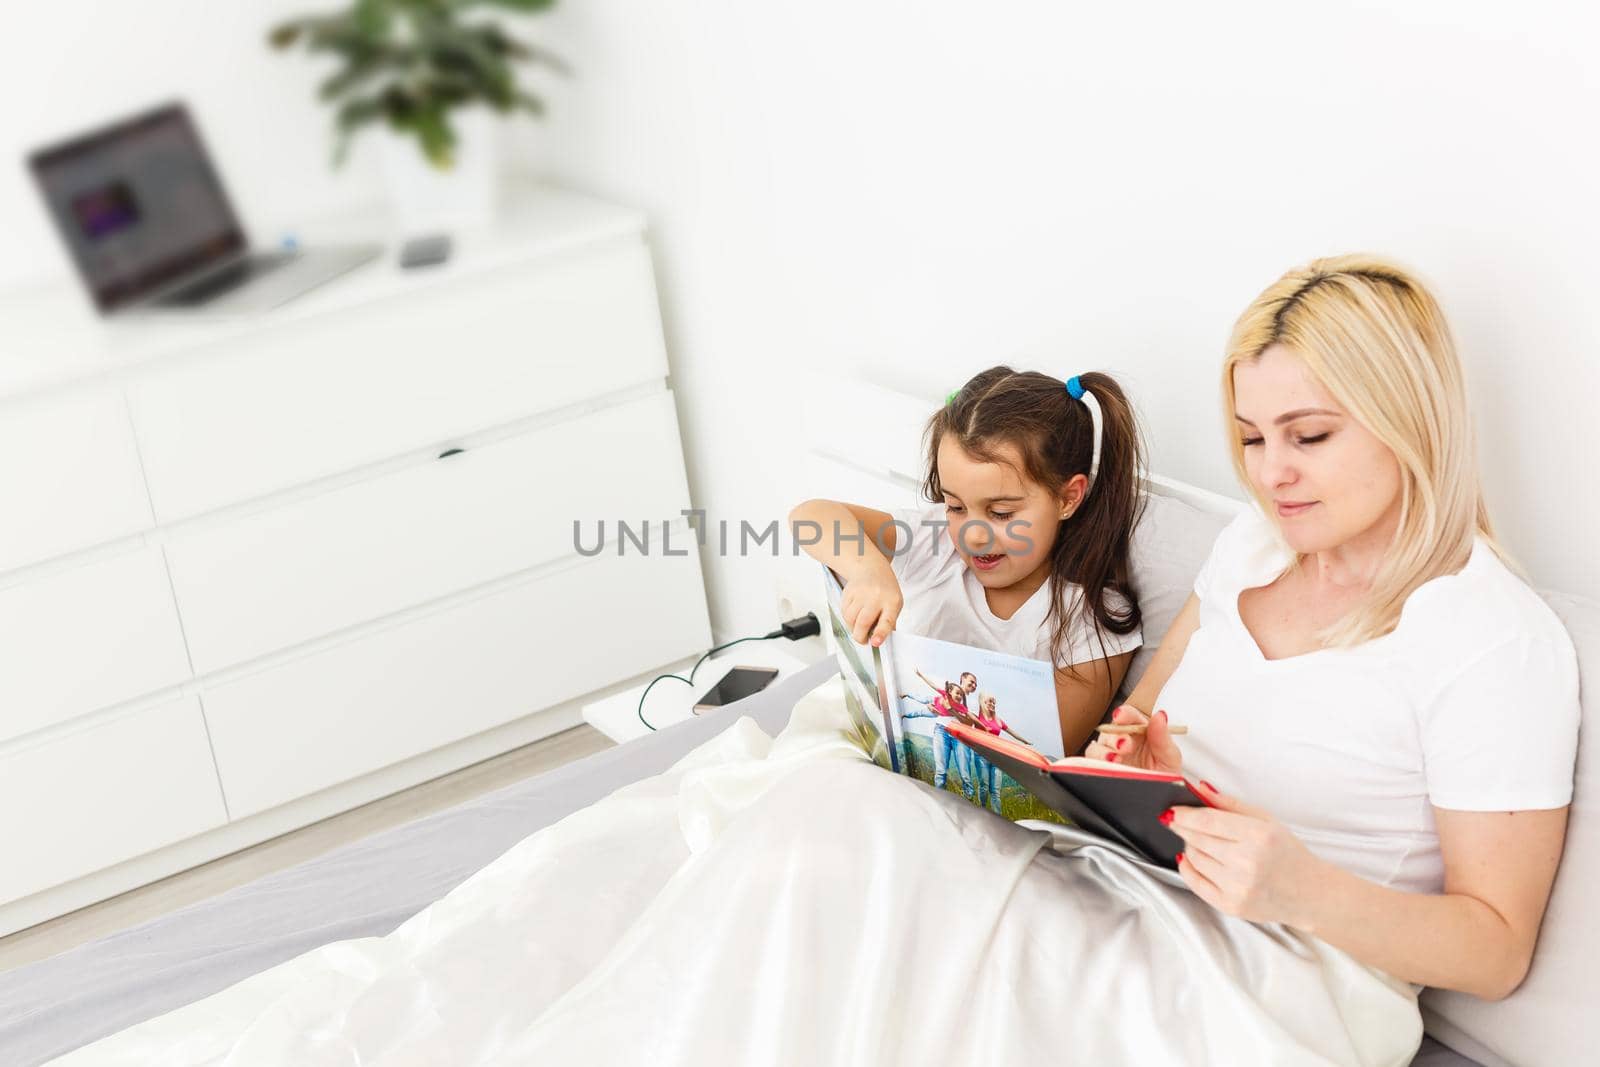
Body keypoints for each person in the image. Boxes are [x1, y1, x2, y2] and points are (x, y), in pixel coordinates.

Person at [1083, 254, 1579, 1000]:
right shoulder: (1250, 545)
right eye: (1252, 438)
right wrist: (1127, 768)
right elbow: (1138, 719)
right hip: (1128, 903)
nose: (1268, 473)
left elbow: (1498, 950)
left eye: (1308, 435)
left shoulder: (1493, 639)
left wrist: (1304, 890)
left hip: (1274, 991)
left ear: (1407, 422)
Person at [791, 367, 1147, 756]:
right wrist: (868, 571)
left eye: (1001, 512)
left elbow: (1043, 753)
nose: (972, 535)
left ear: (1067, 498)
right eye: (955, 506)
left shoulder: (1092, 619)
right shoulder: (935, 542)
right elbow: (810, 516)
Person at [899, 669, 978, 790]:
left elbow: (970, 722)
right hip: (942, 730)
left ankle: (969, 799)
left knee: (965, 775)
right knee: (941, 771)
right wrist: (932, 704)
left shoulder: (969, 704)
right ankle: (940, 797)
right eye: (972, 682)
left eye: (975, 685)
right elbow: (934, 691)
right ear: (963, 678)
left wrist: (951, 710)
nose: (974, 686)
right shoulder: (949, 691)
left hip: (960, 736)